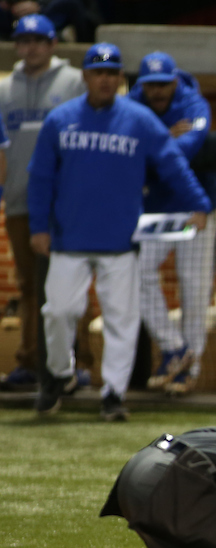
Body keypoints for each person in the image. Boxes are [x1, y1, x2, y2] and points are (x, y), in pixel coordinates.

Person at [28, 42, 211, 421]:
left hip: (119, 240)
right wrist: (38, 226)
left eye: (113, 74)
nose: (106, 80)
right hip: (68, 237)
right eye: (99, 73)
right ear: (86, 76)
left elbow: (172, 163)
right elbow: (40, 177)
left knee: (121, 321)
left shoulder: (139, 120)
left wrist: (198, 202)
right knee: (59, 312)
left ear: (121, 79)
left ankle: (113, 393)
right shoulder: (60, 120)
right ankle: (59, 375)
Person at [0, 13, 87, 394]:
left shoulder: (73, 83)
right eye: (24, 40)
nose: (31, 47)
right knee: (29, 284)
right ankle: (30, 361)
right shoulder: (4, 90)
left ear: (53, 44)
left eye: (38, 40)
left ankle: (77, 363)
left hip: (64, 202)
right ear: (16, 45)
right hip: (20, 198)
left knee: (71, 284)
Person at [130, 51, 216, 397]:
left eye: (162, 83)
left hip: (195, 208)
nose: (156, 91)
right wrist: (166, 136)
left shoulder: (193, 102)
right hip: (156, 210)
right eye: (150, 84)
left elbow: (188, 146)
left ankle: (190, 369)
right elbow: (127, 149)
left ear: (174, 80)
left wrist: (151, 145)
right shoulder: (132, 103)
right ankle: (174, 349)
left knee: (194, 287)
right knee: (137, 272)